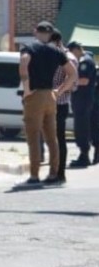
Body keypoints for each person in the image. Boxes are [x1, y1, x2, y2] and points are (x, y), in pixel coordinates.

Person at [19, 21, 77, 186]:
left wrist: (26, 88)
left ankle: (34, 175)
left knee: (33, 136)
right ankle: (53, 173)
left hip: (35, 95)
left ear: (35, 32)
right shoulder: (57, 51)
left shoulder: (29, 48)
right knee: (52, 138)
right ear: (50, 34)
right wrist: (59, 91)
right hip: (50, 96)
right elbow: (73, 74)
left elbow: (24, 63)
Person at [48, 31, 77, 181]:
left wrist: (58, 92)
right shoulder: (51, 55)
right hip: (48, 102)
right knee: (51, 139)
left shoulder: (68, 57)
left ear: (57, 42)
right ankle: (53, 171)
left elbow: (73, 82)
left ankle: (60, 173)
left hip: (59, 103)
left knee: (58, 139)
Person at [67, 41, 96, 168]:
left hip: (83, 100)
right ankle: (84, 155)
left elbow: (84, 80)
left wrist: (69, 82)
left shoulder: (85, 61)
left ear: (77, 50)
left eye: (71, 52)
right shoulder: (83, 60)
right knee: (82, 127)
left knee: (82, 128)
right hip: (81, 100)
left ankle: (84, 156)